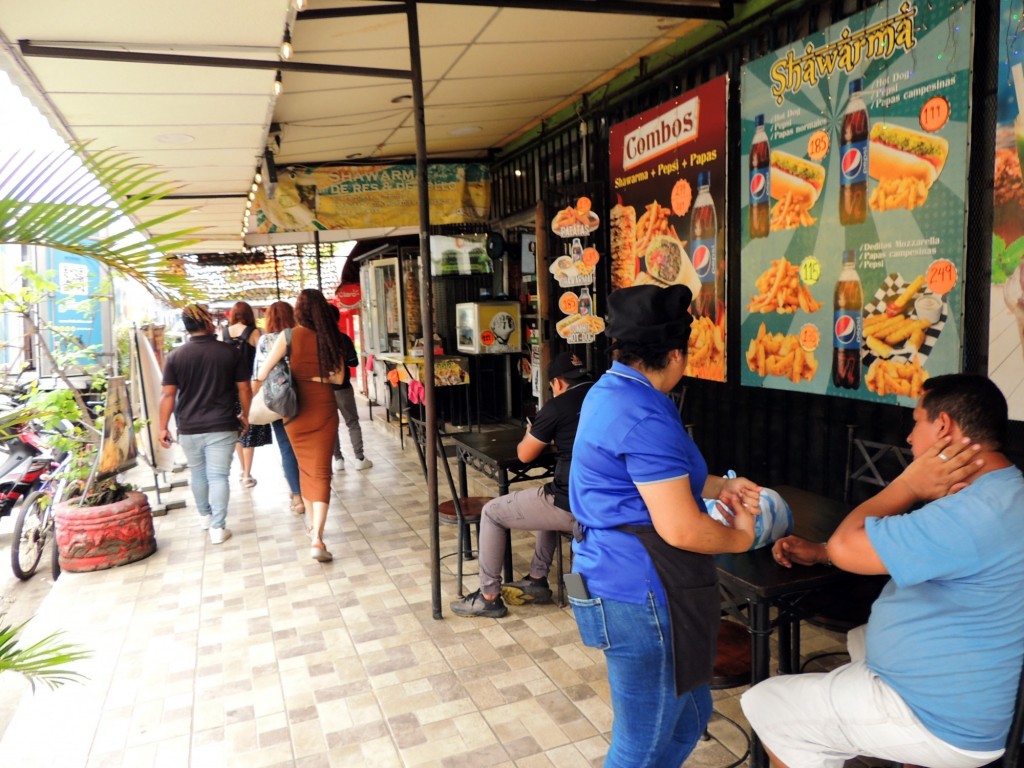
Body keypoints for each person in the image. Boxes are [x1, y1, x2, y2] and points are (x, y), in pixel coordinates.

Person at [741, 374, 1024, 768]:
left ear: (943, 427)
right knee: (860, 638)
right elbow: (889, 551)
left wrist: (907, 484)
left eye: (916, 421)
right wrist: (823, 552)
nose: (910, 438)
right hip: (974, 686)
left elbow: (847, 547)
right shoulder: (1007, 490)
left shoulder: (971, 514)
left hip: (942, 717)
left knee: (769, 704)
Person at [568, 283, 764, 768]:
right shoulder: (643, 414)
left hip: (620, 575)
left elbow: (646, 480)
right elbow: (682, 529)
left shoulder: (610, 390)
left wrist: (718, 487)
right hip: (641, 593)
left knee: (691, 711)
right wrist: (741, 536)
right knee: (640, 745)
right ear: (676, 353)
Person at [450, 351, 594, 618]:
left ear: (558, 383)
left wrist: (531, 433)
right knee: (544, 499)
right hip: (599, 502)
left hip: (571, 506)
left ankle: (488, 596)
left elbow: (524, 455)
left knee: (493, 512)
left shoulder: (557, 407)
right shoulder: (603, 397)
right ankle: (538, 579)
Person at [256, 289, 345, 562]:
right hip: (324, 410)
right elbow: (339, 379)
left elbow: (261, 373)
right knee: (321, 471)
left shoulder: (289, 336)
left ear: (299, 311)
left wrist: (293, 376)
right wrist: (317, 379)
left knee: (306, 469)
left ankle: (313, 531)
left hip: (294, 413)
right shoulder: (332, 338)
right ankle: (317, 536)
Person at [159, 303, 252, 544]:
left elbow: (168, 395)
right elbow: (244, 388)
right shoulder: (229, 353)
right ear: (208, 323)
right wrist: (246, 415)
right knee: (219, 476)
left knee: (198, 473)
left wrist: (162, 427)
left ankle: (204, 517)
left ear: (187, 328)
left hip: (188, 426)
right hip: (222, 424)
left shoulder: (175, 356)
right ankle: (218, 529)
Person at [252, 300, 303, 516]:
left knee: (286, 446)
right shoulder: (299, 335)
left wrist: (250, 399)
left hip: (278, 399)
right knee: (303, 445)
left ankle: (297, 497)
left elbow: (258, 371)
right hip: (302, 395)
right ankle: (310, 488)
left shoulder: (265, 340)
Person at [223, 300, 271, 488]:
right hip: (250, 387)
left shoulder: (225, 332)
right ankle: (247, 474)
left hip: (230, 388)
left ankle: (243, 470)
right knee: (248, 428)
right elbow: (262, 358)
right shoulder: (254, 333)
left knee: (237, 428)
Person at [326, 304, 372, 473]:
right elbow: (353, 362)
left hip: (325, 390)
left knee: (331, 425)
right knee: (352, 422)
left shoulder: (318, 340)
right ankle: (359, 458)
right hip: (343, 388)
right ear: (337, 319)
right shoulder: (343, 339)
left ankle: (338, 459)